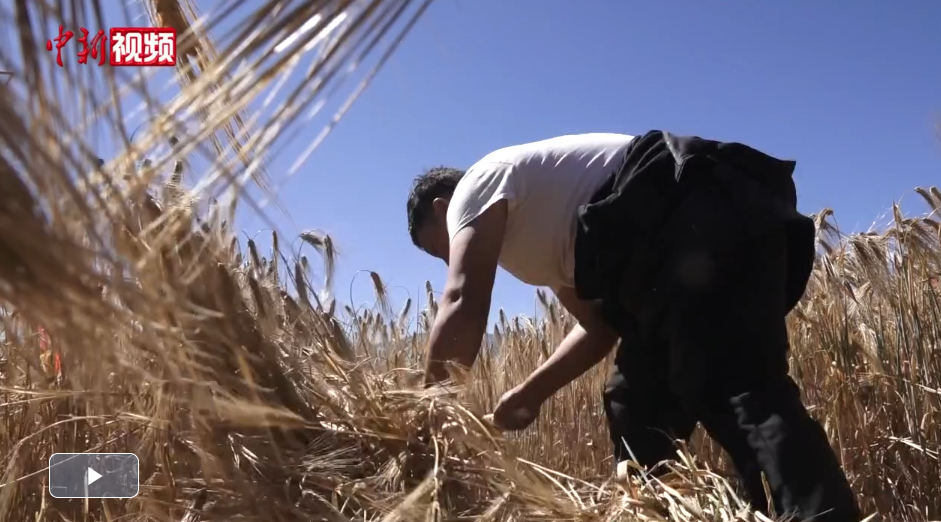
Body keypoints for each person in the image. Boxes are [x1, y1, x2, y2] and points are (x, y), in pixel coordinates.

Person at [405, 130, 861, 521]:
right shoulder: (532, 240)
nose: (446, 258)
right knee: (638, 402)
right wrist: (527, 395)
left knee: (737, 390)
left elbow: (463, 300)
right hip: (674, 253)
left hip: (698, 215)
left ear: (444, 207)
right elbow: (598, 328)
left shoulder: (477, 185)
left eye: (435, 247)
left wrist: (423, 421)